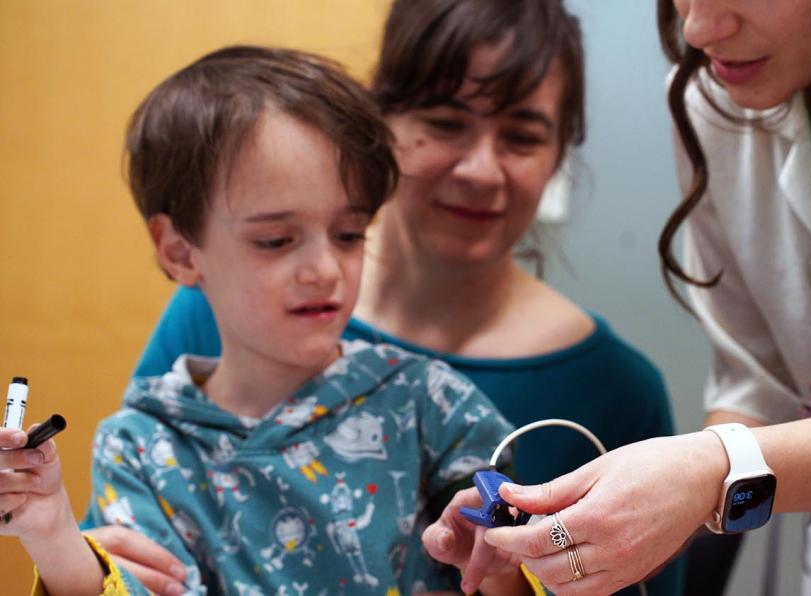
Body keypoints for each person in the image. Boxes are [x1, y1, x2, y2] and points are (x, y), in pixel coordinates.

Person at [428, 0, 811, 594]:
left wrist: (709, 473)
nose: (699, 30)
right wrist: (612, 515)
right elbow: (757, 392)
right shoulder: (718, 93)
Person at [84, 1, 699, 595]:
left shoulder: (616, 393)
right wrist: (76, 555)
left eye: (521, 136)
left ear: (559, 152)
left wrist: (506, 570)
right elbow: (129, 547)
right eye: (446, 124)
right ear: (382, 126)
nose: (481, 170)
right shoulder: (218, 318)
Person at [0, 45, 530, 595]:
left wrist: (502, 553)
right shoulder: (142, 449)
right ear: (181, 252)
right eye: (276, 240)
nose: (325, 269)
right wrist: (55, 536)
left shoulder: (430, 404)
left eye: (349, 235)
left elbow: (512, 559)